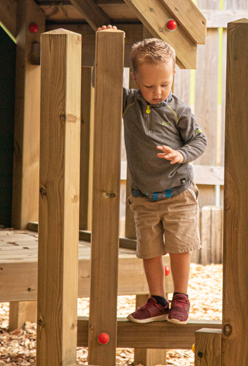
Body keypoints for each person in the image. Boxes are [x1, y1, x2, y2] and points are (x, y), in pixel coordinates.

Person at [96, 25, 207, 325]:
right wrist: (105, 46)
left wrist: (180, 154)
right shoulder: (130, 103)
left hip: (179, 192)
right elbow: (101, 83)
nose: (157, 93)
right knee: (149, 250)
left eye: (164, 85)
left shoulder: (179, 111)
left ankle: (180, 297)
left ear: (173, 78)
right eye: (149, 87)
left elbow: (200, 140)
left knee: (179, 246)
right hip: (144, 196)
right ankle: (157, 300)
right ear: (135, 79)